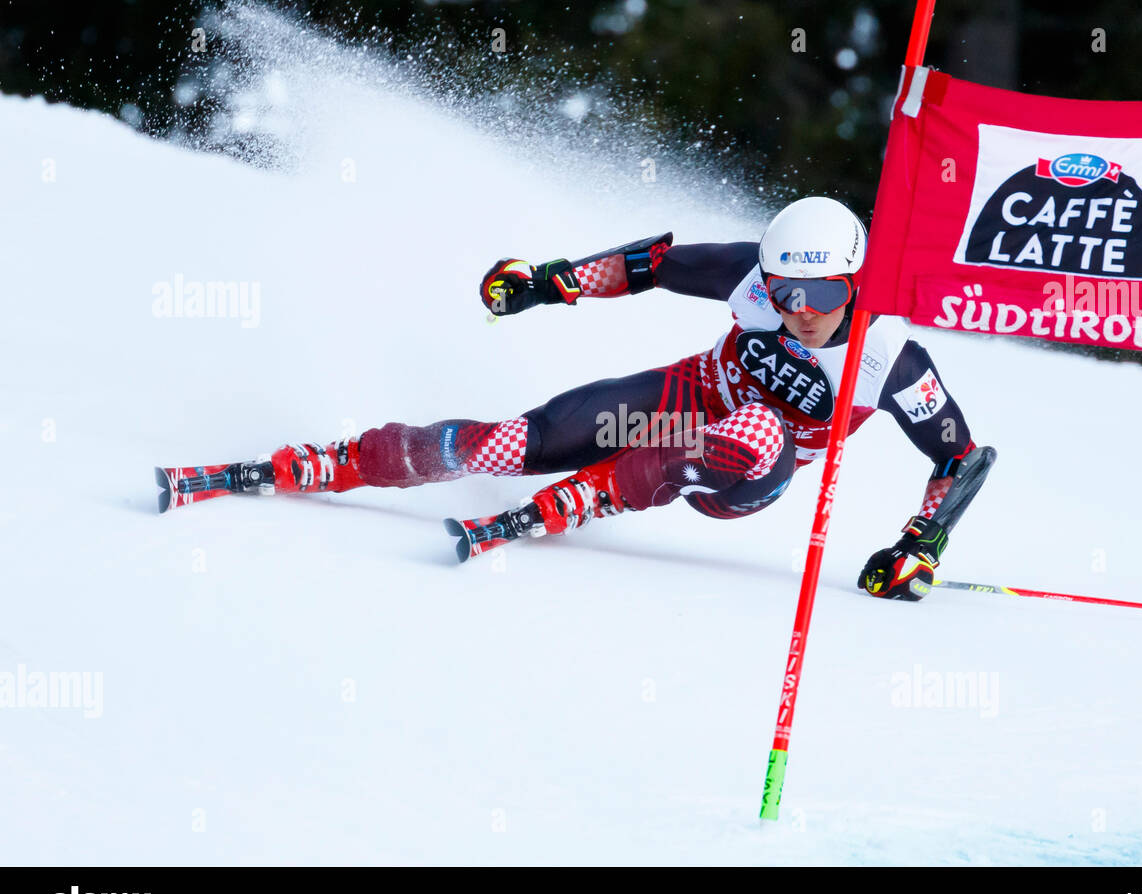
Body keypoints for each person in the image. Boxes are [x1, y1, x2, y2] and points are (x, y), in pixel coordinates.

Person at [156, 197, 995, 600]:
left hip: (751, 471)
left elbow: (963, 455)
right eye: (779, 290)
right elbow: (652, 264)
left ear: (854, 284)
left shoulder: (890, 356)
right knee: (515, 440)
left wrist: (921, 541)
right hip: (681, 402)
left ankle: (586, 499)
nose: (794, 308)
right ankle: (345, 460)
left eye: (817, 294)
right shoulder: (752, 277)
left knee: (745, 430)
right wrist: (548, 284)